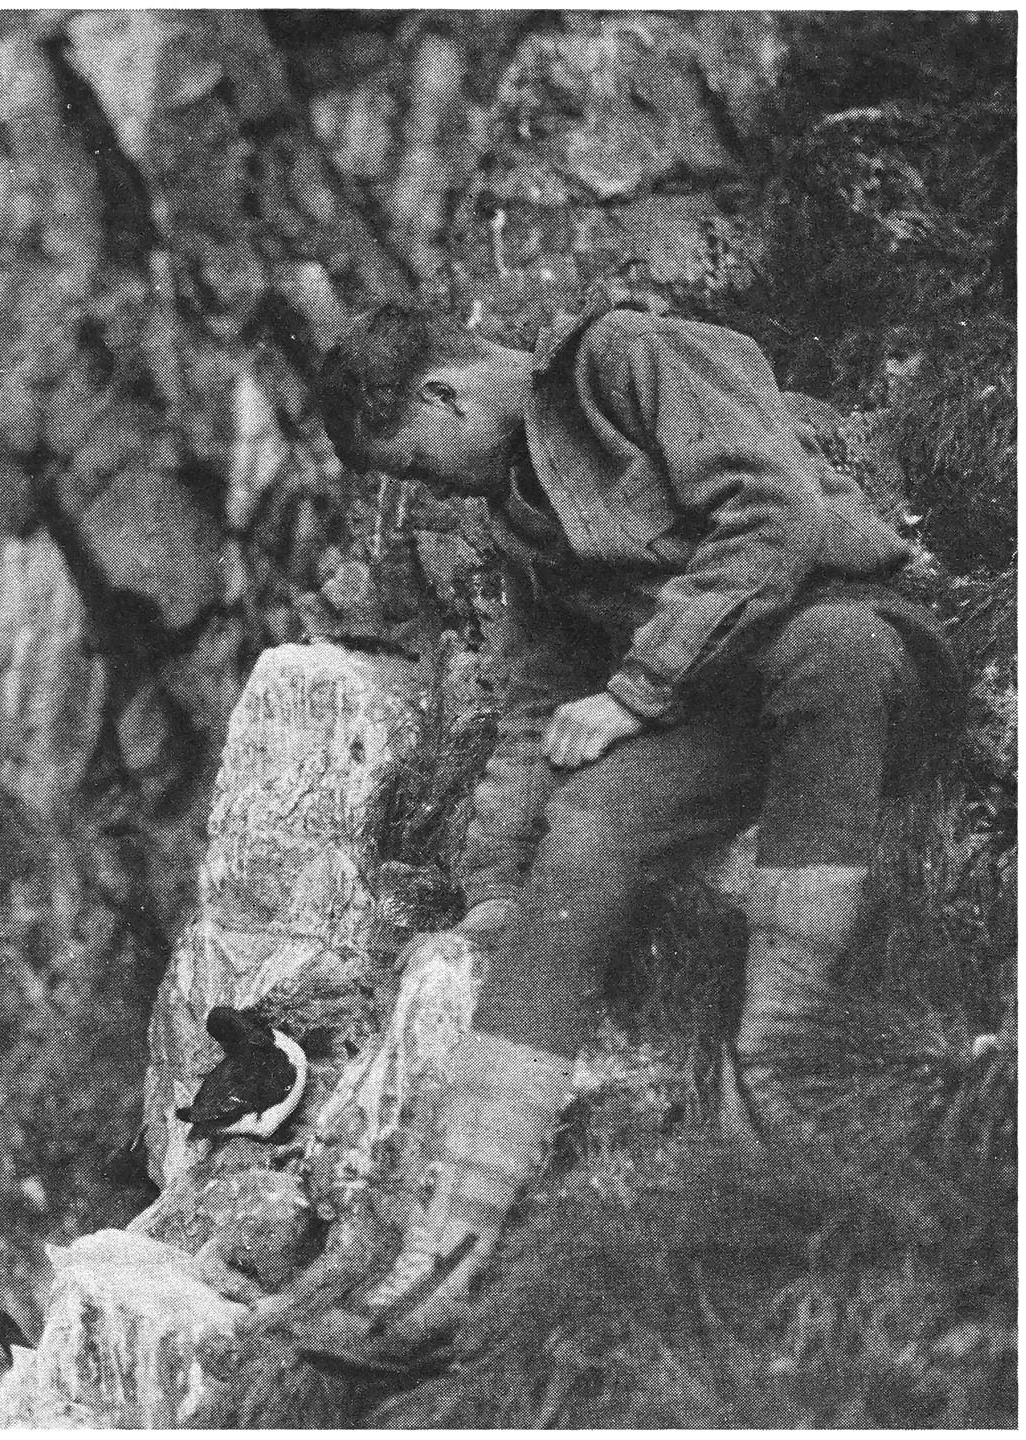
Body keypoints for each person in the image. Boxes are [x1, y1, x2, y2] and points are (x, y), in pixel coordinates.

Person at [293, 300, 959, 1368]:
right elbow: (540, 698)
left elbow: (774, 513)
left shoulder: (624, 360)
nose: (427, 490)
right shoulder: (516, 513)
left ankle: (768, 1111)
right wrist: (497, 888)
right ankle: (442, 1265)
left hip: (856, 650)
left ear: (444, 393)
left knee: (827, 649)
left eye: (416, 463)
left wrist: (641, 690)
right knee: (590, 825)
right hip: (716, 707)